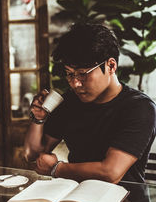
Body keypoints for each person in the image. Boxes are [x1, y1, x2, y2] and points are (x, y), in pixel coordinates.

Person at [24, 23, 156, 183]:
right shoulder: (70, 102)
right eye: (69, 74)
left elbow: (110, 172)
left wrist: (56, 169)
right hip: (79, 199)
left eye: (82, 74)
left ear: (111, 66)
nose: (75, 83)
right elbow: (33, 155)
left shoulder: (139, 108)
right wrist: (38, 119)